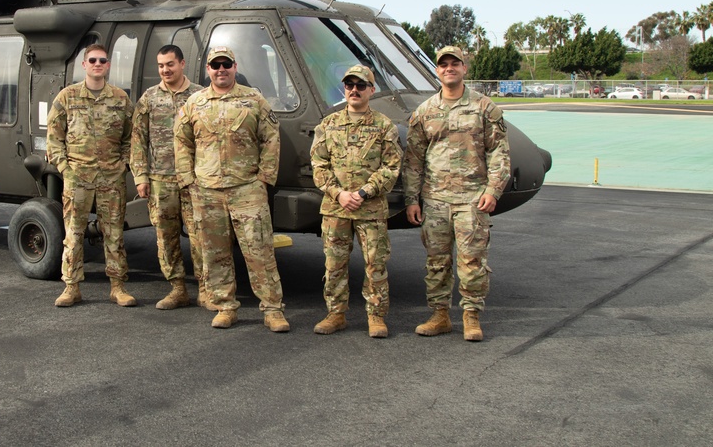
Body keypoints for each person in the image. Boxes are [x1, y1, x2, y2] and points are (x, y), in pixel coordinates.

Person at [174, 46, 289, 332]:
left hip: (247, 188)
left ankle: (273, 309)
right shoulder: (194, 103)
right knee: (215, 254)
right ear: (208, 70)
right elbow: (181, 142)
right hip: (207, 191)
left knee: (259, 252)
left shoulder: (254, 100)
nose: (221, 69)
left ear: (235, 67)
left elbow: (271, 139)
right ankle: (225, 306)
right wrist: (188, 180)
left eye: (226, 64)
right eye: (216, 65)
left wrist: (264, 179)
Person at [402, 46, 511, 342]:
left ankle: (471, 317)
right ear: (437, 71)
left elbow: (499, 152)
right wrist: (412, 200)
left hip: (472, 199)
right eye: (443, 64)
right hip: (435, 200)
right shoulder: (425, 112)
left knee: (472, 262)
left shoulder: (484, 107)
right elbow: (413, 160)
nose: (449, 68)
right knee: (436, 263)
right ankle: (439, 316)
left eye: (455, 64)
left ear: (464, 69)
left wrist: (493, 189)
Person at [310, 65, 402, 337]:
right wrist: (338, 193)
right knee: (334, 264)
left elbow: (391, 168)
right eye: (349, 84)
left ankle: (376, 316)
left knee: (375, 264)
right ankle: (336, 314)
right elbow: (318, 165)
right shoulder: (328, 125)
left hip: (370, 209)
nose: (354, 89)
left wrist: (363, 193)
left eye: (361, 85)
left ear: (371, 90)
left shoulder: (384, 126)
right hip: (336, 208)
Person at [46, 44, 136, 308]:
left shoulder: (120, 98)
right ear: (84, 65)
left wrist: (124, 163)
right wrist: (66, 170)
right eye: (93, 60)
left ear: (108, 65)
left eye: (103, 60)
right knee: (73, 234)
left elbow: (132, 138)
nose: (98, 64)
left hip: (112, 178)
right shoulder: (67, 97)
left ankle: (118, 287)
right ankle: (71, 287)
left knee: (114, 235)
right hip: (78, 178)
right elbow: (54, 140)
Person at [130, 44, 208, 310]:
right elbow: (138, 140)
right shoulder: (149, 98)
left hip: (194, 180)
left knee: (201, 236)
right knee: (166, 237)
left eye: (170, 64)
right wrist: (140, 176)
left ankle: (206, 289)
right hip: (160, 180)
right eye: (161, 65)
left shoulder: (200, 95)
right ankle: (177, 289)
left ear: (182, 64)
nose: (165, 70)